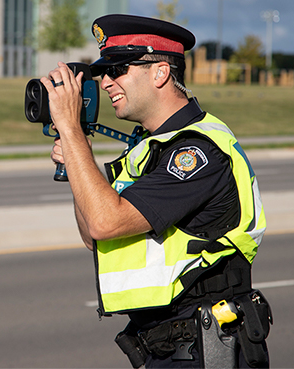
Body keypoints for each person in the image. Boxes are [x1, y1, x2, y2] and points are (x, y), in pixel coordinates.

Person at [41, 14, 272, 369]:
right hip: (165, 348)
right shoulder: (150, 150)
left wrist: (72, 131)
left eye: (117, 69)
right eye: (103, 71)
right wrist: (76, 153)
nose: (105, 82)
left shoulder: (196, 152)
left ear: (160, 72)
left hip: (204, 349)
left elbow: (105, 222)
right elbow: (93, 234)